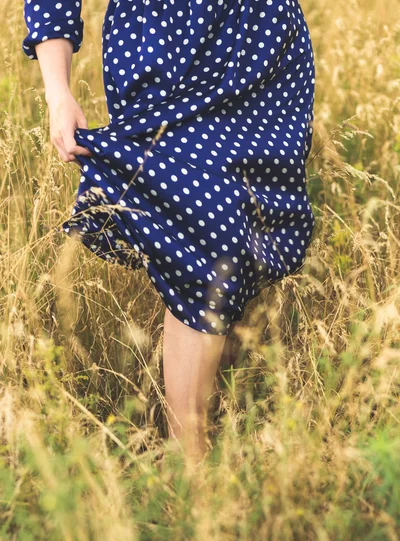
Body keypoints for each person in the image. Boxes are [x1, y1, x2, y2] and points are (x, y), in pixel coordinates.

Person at [22, 0, 316, 466]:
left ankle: (223, 423)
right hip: (165, 51)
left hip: (261, 42)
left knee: (242, 235)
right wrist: (57, 91)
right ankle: (191, 467)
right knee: (205, 243)